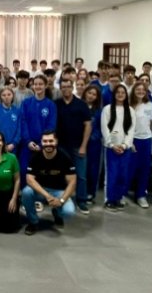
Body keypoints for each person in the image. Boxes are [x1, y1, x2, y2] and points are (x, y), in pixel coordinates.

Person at [21, 131, 77, 235]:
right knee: (26, 192)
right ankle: (33, 222)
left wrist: (61, 201)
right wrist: (47, 196)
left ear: (56, 141)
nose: (48, 144)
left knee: (68, 212)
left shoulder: (64, 157)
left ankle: (57, 212)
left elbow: (72, 182)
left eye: (51, 141)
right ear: (41, 142)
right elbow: (30, 179)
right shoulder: (36, 157)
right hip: (40, 191)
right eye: (45, 141)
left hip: (58, 191)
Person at [55, 79, 92, 213]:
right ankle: (63, 198)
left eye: (68, 86)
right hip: (61, 147)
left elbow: (88, 125)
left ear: (72, 87)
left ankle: (81, 200)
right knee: (61, 175)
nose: (66, 89)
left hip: (78, 146)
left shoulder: (81, 104)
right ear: (60, 89)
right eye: (63, 87)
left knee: (81, 175)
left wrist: (83, 145)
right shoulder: (56, 104)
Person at [101, 85, 135, 212]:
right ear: (114, 94)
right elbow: (105, 128)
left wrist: (125, 145)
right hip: (111, 148)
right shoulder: (107, 109)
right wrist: (111, 144)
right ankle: (109, 200)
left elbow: (131, 130)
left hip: (125, 148)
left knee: (122, 174)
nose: (120, 94)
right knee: (112, 174)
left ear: (126, 95)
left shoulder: (130, 110)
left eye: (123, 92)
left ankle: (119, 198)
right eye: (118, 92)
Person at [20, 75, 56, 186]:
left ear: (45, 86)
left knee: (41, 172)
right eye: (35, 84)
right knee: (24, 170)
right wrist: (28, 141)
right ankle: (24, 193)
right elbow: (23, 122)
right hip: (27, 144)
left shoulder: (51, 105)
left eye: (40, 84)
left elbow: (51, 125)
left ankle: (40, 194)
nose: (38, 86)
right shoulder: (26, 103)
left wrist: (42, 144)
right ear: (32, 86)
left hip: (44, 145)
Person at [128, 82, 152, 208]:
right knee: (130, 169)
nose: (140, 92)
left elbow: (151, 123)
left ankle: (141, 195)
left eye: (143, 90)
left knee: (144, 169)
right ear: (133, 91)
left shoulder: (150, 104)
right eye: (138, 89)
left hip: (146, 140)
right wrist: (130, 141)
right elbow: (126, 125)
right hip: (133, 140)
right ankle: (122, 192)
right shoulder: (129, 105)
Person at [82, 85, 103, 204]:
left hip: (94, 143)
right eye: (89, 93)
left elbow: (101, 128)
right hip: (79, 142)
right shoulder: (79, 106)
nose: (91, 96)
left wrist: (93, 137)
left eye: (94, 94)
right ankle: (80, 192)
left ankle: (90, 193)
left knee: (92, 169)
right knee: (81, 169)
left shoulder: (99, 111)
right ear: (85, 93)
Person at [0, 87, 21, 155]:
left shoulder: (17, 111)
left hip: (12, 147)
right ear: (0, 97)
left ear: (13, 95)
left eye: (9, 94)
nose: (6, 97)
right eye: (4, 95)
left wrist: (14, 143)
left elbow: (19, 130)